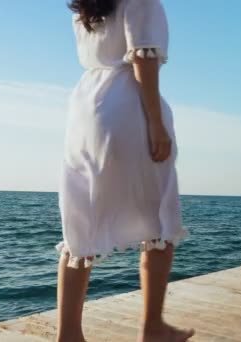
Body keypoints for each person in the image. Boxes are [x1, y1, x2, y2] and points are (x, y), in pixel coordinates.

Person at [55, 0, 194, 341]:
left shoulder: (85, 9)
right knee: (158, 221)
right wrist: (156, 123)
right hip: (127, 110)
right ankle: (153, 328)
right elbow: (143, 56)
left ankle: (69, 334)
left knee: (80, 227)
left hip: (85, 112)